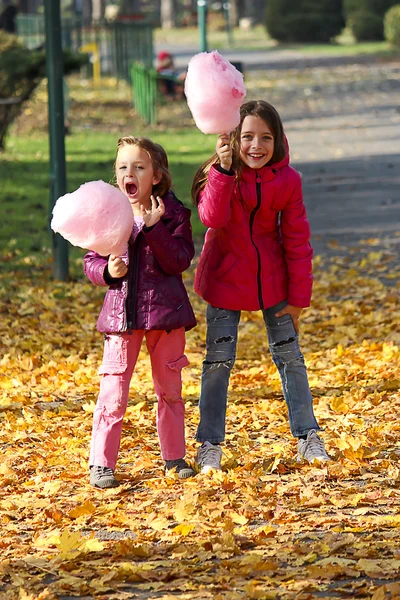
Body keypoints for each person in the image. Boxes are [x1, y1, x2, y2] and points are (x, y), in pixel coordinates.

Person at [191, 100, 331, 473]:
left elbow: (298, 241)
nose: (256, 146)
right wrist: (221, 171)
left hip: (274, 284)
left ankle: (308, 436)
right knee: (218, 362)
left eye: (266, 137)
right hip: (224, 279)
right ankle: (209, 444)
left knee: (291, 358)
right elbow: (212, 217)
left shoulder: (288, 181)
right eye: (248, 137)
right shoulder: (220, 173)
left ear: (278, 141)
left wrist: (299, 300)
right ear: (233, 139)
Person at [84, 136, 197, 488]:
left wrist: (154, 227)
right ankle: (102, 463)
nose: (128, 173)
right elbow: (92, 260)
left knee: (170, 390)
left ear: (157, 176)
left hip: (166, 318)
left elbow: (178, 260)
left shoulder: (174, 214)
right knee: (113, 393)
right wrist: (107, 271)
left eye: (138, 166)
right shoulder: (108, 213)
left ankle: (174, 457)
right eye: (122, 167)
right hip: (122, 318)